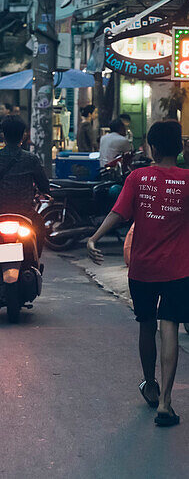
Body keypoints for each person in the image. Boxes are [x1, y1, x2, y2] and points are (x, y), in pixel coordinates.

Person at [88, 120, 189, 427]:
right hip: (178, 269)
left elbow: (118, 214)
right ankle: (165, 402)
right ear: (181, 148)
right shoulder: (187, 180)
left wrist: (94, 237)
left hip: (142, 268)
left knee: (146, 324)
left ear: (152, 148)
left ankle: (150, 383)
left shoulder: (137, 177)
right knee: (169, 324)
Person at [0, 115, 49, 249]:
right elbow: (44, 186)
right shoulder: (31, 159)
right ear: (23, 136)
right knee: (40, 226)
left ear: (2, 136)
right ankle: (35, 262)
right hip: (24, 212)